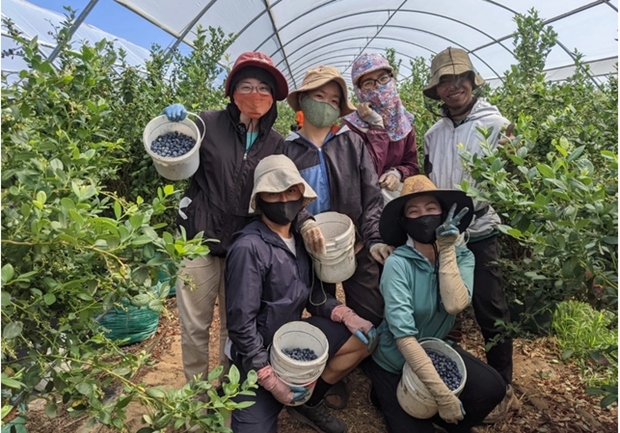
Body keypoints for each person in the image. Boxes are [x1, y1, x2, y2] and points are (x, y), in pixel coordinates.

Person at [161, 51, 290, 383]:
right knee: (194, 327)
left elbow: (279, 192)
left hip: (243, 249)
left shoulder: (276, 143)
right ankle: (195, 403)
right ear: (232, 92)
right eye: (245, 86)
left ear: (273, 95)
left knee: (235, 327)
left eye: (263, 88)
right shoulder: (206, 123)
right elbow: (173, 164)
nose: (254, 95)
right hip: (197, 241)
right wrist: (175, 125)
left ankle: (223, 395)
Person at [225, 154, 376, 433]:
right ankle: (248, 390)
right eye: (273, 193)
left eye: (290, 190)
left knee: (362, 339)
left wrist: (346, 314)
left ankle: (307, 403)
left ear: (301, 194)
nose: (283, 199)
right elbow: (240, 324)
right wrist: (269, 377)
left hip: (292, 340)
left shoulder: (300, 239)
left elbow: (311, 296)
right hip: (258, 353)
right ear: (259, 200)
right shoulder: (249, 248)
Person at [364, 175, 507, 433]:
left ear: (444, 214)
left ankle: (443, 420)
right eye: (414, 212)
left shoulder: (463, 257)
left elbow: (454, 304)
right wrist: (443, 395)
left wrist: (447, 249)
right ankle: (383, 395)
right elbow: (405, 337)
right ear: (405, 223)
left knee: (492, 387)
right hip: (395, 359)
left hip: (436, 349)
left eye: (431, 209)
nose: (424, 216)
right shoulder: (398, 264)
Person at [422, 47, 518, 422]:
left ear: (473, 82)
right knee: (445, 305)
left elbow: (511, 182)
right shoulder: (433, 134)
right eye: (445, 81)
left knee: (490, 307)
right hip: (442, 237)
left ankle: (502, 386)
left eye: (460, 78)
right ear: (438, 90)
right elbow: (430, 181)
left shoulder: (497, 125)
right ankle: (450, 374)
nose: (453, 86)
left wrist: (475, 208)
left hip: (478, 233)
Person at [282, 65, 393, 327]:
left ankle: (368, 358)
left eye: (334, 100)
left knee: (372, 310)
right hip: (310, 246)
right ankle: (334, 350)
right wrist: (303, 221)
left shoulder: (351, 143)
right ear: (303, 100)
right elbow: (285, 196)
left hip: (354, 242)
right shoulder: (287, 150)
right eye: (319, 97)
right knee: (320, 304)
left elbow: (371, 195)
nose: (327, 105)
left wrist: (373, 238)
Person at [343, 53, 420, 204]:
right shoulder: (351, 128)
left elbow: (412, 165)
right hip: (364, 205)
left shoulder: (404, 123)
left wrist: (397, 173)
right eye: (368, 83)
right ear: (359, 90)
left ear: (392, 79)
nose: (378, 86)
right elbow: (363, 174)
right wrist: (377, 126)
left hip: (395, 203)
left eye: (383, 78)